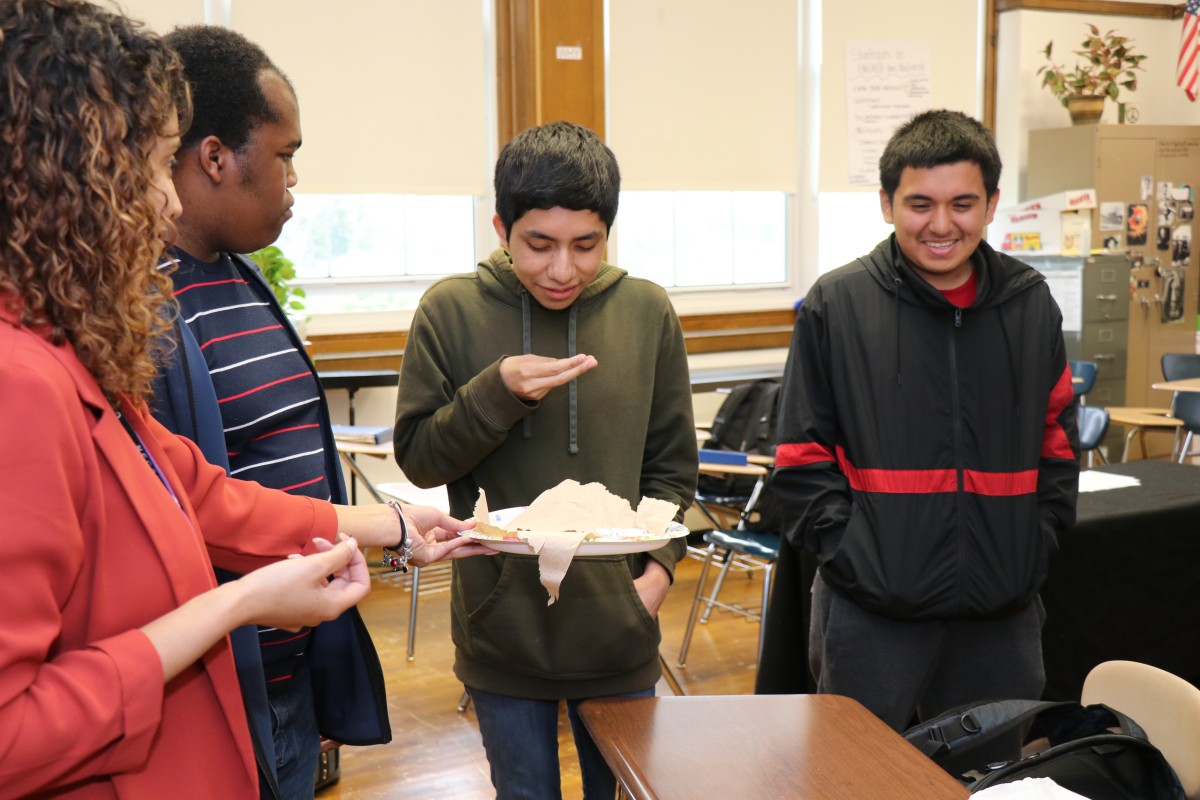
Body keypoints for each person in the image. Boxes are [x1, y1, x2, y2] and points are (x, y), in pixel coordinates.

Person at [0, 2, 485, 796]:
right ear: (70, 181)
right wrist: (236, 606)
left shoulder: (70, 350)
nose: (164, 202)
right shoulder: (19, 383)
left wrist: (389, 525)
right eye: (155, 167)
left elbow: (202, 494)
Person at [393, 121, 699, 799]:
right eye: (539, 245)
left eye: (586, 245)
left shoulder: (646, 311)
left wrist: (658, 576)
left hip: (620, 632)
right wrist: (495, 394)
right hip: (504, 637)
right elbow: (418, 458)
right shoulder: (450, 311)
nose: (563, 269)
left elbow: (673, 467)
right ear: (501, 227)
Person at [146, 25, 396, 799]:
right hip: (217, 686)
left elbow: (292, 467)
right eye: (284, 156)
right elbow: (193, 504)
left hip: (289, 672)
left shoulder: (241, 278)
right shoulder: (139, 309)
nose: (294, 181)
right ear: (215, 157)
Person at [772, 109, 1079, 731]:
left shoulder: (1029, 304)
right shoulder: (839, 304)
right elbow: (800, 459)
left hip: (1001, 614)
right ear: (886, 204)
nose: (941, 225)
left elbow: (1058, 444)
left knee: (993, 775)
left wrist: (1032, 545)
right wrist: (854, 557)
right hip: (872, 613)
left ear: (992, 204)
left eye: (963, 203)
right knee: (856, 777)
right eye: (920, 204)